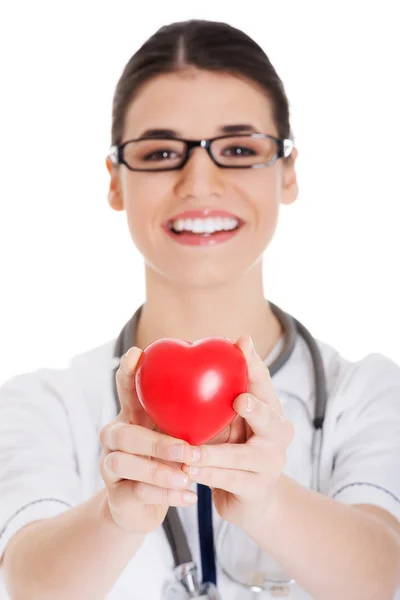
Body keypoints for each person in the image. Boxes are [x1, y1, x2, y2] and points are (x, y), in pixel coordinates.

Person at [0, 18, 399, 600]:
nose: (200, 182)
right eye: (161, 152)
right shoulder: (42, 405)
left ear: (288, 171)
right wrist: (116, 517)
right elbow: (26, 581)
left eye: (239, 149)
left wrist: (270, 502)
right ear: (115, 181)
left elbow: (387, 573)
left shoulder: (369, 394)